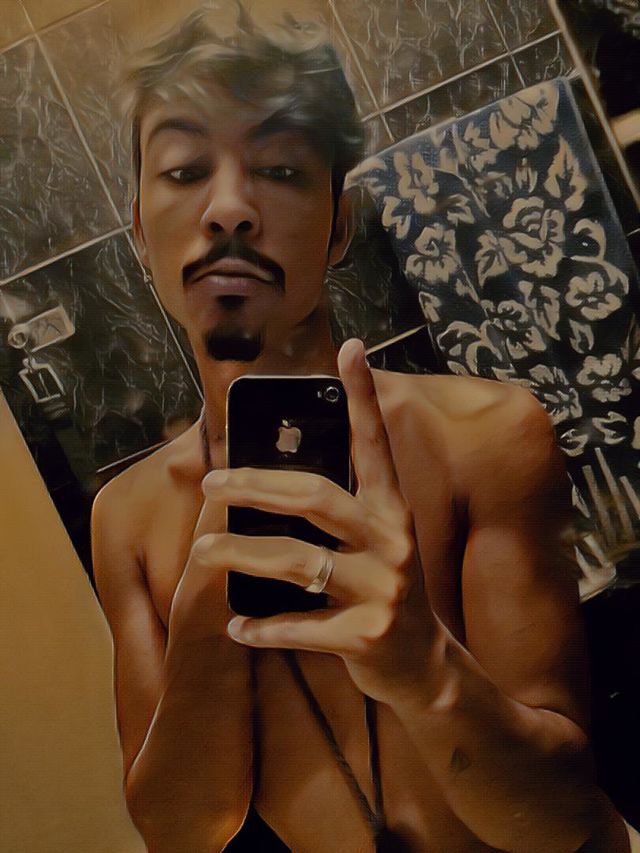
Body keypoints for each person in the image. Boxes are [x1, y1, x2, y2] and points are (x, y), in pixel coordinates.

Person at [92, 6, 630, 851]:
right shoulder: (129, 520)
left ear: (339, 224)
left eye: (278, 167)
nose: (228, 207)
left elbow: (560, 822)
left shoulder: (485, 437)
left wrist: (424, 670)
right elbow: (180, 831)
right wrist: (201, 622)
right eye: (186, 169)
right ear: (138, 231)